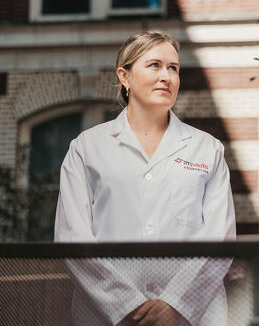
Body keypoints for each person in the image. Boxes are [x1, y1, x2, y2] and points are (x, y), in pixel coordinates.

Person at [54, 30, 236, 326]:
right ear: (124, 77)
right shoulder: (87, 147)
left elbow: (219, 239)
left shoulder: (208, 149)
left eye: (173, 68)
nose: (167, 76)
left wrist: (174, 305)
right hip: (108, 316)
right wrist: (128, 307)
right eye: (154, 65)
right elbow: (73, 237)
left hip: (193, 317)